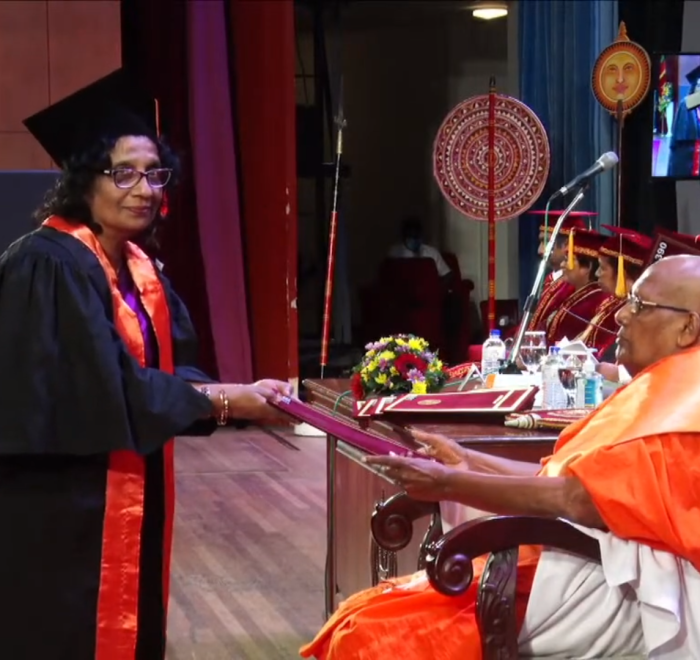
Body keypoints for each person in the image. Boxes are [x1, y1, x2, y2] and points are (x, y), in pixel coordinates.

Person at [2, 69, 292, 659]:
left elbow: (170, 371)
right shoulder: (48, 264)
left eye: (154, 173)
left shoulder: (138, 269)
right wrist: (227, 401)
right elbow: (103, 388)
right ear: (84, 180)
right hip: (63, 501)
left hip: (131, 486)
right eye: (123, 173)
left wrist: (237, 393)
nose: (144, 189)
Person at [301, 254, 700, 659]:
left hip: (599, 587)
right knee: (360, 616)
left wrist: (450, 484)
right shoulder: (664, 387)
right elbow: (558, 476)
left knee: (369, 638)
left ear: (688, 327)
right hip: (554, 564)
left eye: (640, 305)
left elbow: (578, 499)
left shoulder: (685, 411)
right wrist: (468, 461)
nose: (620, 316)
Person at [581, 226, 653, 363]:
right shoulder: (611, 303)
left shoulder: (640, 311)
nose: (597, 273)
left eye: (602, 268)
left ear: (622, 273)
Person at [544, 228, 610, 345]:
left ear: (588, 267)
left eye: (568, 260)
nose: (562, 264)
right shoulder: (569, 293)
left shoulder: (597, 300)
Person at [668, 64, 700, 177]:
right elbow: (682, 142)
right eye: (699, 86)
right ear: (694, 88)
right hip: (689, 160)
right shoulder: (686, 104)